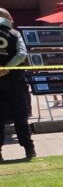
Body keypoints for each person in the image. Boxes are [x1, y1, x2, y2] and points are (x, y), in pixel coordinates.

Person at [0, 8, 35, 161]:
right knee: (20, 116)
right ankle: (29, 149)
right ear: (8, 19)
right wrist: (7, 68)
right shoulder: (15, 34)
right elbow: (22, 54)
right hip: (15, 81)